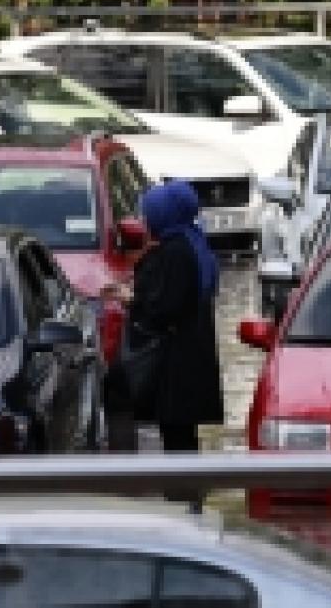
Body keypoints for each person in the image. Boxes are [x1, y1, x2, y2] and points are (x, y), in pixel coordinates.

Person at [106, 180, 224, 455]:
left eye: (149, 213)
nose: (145, 221)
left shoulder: (176, 252)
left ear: (165, 214)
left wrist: (131, 298)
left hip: (176, 365)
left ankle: (183, 496)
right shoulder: (191, 242)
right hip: (187, 360)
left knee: (178, 439)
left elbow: (165, 307)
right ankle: (186, 494)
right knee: (180, 436)